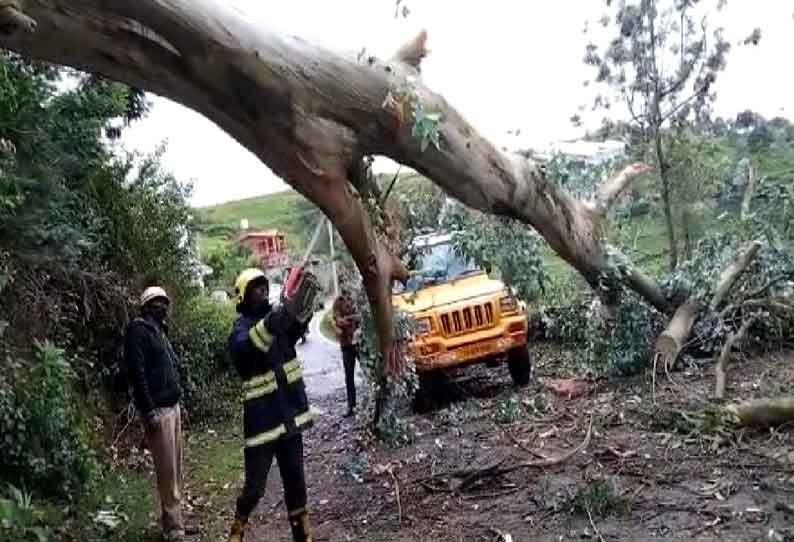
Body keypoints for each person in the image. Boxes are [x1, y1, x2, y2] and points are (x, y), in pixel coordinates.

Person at [227, 267, 318, 542]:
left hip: (289, 419)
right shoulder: (239, 332)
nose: (262, 291)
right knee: (254, 489)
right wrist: (272, 322)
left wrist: (303, 303)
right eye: (255, 288)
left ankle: (303, 535)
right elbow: (249, 350)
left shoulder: (277, 320)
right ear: (243, 296)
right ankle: (238, 526)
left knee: (296, 484)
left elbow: (297, 325)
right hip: (262, 426)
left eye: (264, 286)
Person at [124, 286, 185, 542]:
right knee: (166, 472)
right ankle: (173, 529)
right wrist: (149, 411)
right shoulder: (138, 331)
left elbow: (170, 368)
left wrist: (181, 400)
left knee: (177, 469)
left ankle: (176, 521)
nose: (164, 307)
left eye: (165, 303)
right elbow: (137, 374)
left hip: (173, 408)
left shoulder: (160, 332)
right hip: (158, 411)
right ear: (147, 307)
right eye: (158, 303)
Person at [332, 288, 360, 418]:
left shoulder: (355, 298)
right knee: (349, 376)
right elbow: (338, 321)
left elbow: (360, 316)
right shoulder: (337, 302)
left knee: (368, 372)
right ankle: (351, 405)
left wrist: (347, 319)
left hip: (359, 342)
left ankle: (373, 400)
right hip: (346, 345)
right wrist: (349, 320)